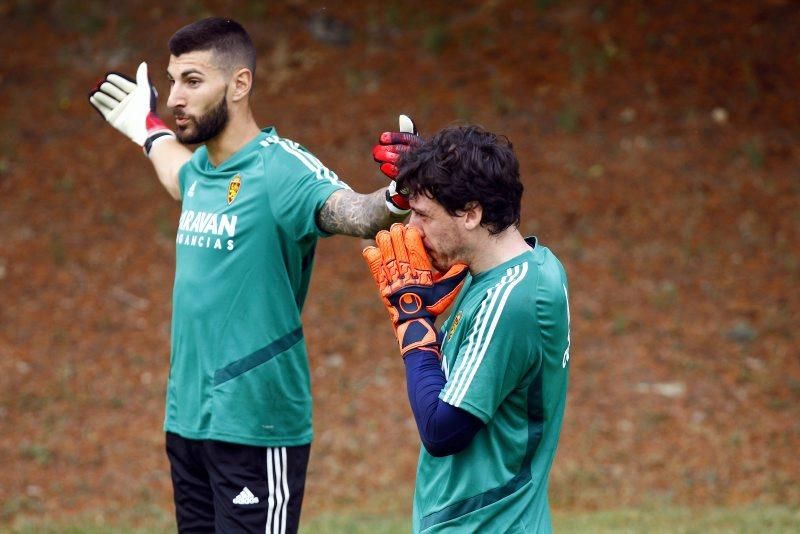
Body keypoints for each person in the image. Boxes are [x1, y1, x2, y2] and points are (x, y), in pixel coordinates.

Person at [88, 17, 417, 534]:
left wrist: (396, 197)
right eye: (172, 80)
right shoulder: (202, 173)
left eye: (192, 81)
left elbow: (350, 211)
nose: (175, 96)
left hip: (256, 428)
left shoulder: (280, 169)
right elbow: (175, 170)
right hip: (188, 423)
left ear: (239, 84)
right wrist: (144, 127)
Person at [362, 124, 571, 532]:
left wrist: (412, 321)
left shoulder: (511, 299)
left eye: (422, 215)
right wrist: (434, 173)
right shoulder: (525, 266)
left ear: (471, 213)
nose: (413, 231)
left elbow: (443, 431)